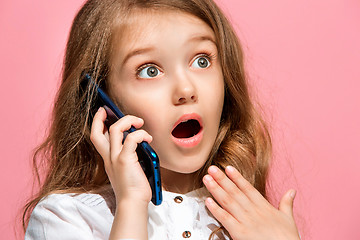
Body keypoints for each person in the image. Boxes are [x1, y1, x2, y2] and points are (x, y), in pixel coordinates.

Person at [23, 0, 300, 239]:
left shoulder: (250, 219)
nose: (186, 90)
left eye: (201, 61)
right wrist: (131, 204)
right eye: (150, 70)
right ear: (101, 100)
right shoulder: (65, 218)